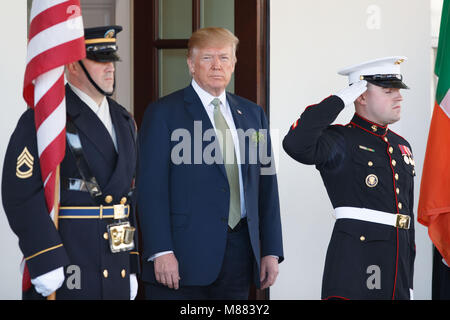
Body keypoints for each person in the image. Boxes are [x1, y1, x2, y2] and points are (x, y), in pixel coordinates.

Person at [137, 27, 284, 300]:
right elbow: (150, 190)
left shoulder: (254, 114)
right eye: (207, 58)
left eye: (224, 57)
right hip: (181, 259)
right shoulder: (162, 113)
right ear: (191, 64)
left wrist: (271, 250)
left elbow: (267, 186)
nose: (217, 65)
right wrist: (161, 250)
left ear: (234, 63)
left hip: (240, 257)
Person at [2, 25, 139, 300]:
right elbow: (20, 193)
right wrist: (44, 257)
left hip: (116, 265)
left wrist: (131, 262)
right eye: (100, 60)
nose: (110, 68)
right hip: (69, 261)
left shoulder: (124, 120)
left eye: (112, 60)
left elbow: (127, 198)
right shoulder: (46, 120)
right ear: (73, 66)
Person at [283, 56, 415, 300]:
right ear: (361, 96)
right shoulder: (339, 140)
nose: (399, 97)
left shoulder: (401, 146)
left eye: (398, 91)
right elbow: (295, 143)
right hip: (357, 263)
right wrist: (339, 100)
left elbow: (406, 217)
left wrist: (408, 281)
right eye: (388, 91)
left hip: (397, 266)